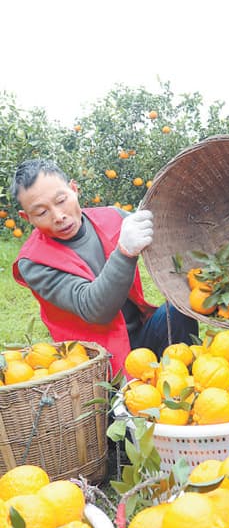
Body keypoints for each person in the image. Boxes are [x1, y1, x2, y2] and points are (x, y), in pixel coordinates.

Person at [11, 159, 198, 374]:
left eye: (61, 200)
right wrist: (125, 252)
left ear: (74, 189)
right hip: (94, 360)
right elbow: (95, 309)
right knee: (124, 401)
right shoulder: (34, 262)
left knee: (178, 310)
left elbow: (168, 235)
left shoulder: (112, 217)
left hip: (138, 335)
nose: (58, 216)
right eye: (42, 213)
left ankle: (186, 383)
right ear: (27, 218)